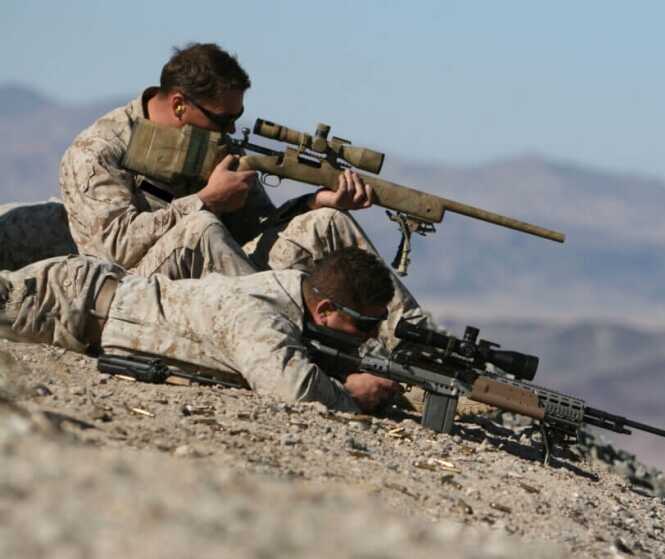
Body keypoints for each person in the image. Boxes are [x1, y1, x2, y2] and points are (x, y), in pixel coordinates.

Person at [58, 42, 431, 346]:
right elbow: (112, 250)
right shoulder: (98, 149)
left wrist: (314, 203)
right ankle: (295, 346)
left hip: (225, 281)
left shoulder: (210, 144)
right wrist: (205, 200)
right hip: (135, 294)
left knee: (327, 222)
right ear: (179, 105)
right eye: (222, 120)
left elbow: (257, 230)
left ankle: (418, 343)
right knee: (202, 227)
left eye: (237, 119)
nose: (231, 130)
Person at [0, 248, 402, 412]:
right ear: (326, 307)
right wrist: (350, 395)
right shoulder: (257, 315)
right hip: (62, 303)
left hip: (89, 303)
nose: (369, 335)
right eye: (365, 324)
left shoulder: (295, 293)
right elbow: (292, 389)